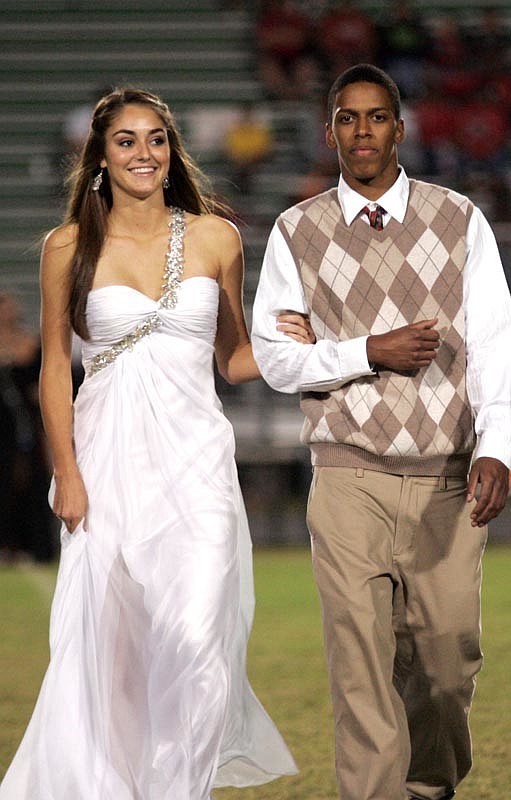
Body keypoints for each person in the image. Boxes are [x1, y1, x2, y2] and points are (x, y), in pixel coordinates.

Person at [0, 87, 316, 799]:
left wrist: (285, 343)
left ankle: (179, 790)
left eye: (156, 139)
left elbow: (232, 358)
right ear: (100, 158)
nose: (143, 153)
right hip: (106, 465)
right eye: (125, 141)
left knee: (199, 639)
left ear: (172, 152)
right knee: (112, 655)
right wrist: (67, 473)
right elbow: (55, 368)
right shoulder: (66, 247)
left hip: (197, 461)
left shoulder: (216, 238)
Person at [251, 64, 511, 800]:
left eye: (376, 117)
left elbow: (494, 344)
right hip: (347, 477)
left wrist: (498, 448)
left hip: (445, 477)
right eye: (347, 117)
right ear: (330, 128)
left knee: (444, 667)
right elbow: (275, 359)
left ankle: (428, 788)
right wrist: (363, 351)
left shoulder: (458, 218)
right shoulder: (295, 232)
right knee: (360, 668)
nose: (361, 131)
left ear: (399, 129)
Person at [0, 291, 56, 564]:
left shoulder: (30, 343)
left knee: (33, 480)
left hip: (26, 426)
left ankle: (36, 547)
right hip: (3, 428)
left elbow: (41, 381)